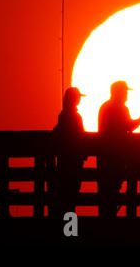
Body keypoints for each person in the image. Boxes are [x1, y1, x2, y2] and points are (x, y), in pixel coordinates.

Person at [98, 81, 140, 217]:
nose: (127, 94)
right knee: (114, 188)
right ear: (119, 92)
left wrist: (139, 120)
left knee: (106, 190)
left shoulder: (104, 107)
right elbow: (127, 126)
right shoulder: (120, 108)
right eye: (125, 91)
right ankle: (111, 219)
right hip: (116, 156)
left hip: (104, 156)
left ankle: (106, 218)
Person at [52, 87, 86, 218]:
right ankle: (70, 231)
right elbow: (79, 137)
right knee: (71, 198)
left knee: (66, 198)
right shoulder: (74, 116)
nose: (79, 100)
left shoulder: (63, 115)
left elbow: (57, 134)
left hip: (65, 161)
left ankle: (68, 230)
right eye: (78, 97)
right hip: (73, 162)